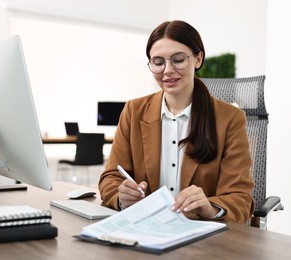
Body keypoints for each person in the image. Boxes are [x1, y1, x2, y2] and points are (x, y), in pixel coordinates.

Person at [98, 20, 254, 224]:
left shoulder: (230, 119)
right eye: (158, 62)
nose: (168, 70)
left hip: (202, 238)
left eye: (178, 60)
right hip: (146, 230)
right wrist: (122, 197)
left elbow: (240, 198)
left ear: (198, 59)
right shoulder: (133, 111)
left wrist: (209, 208)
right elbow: (111, 177)